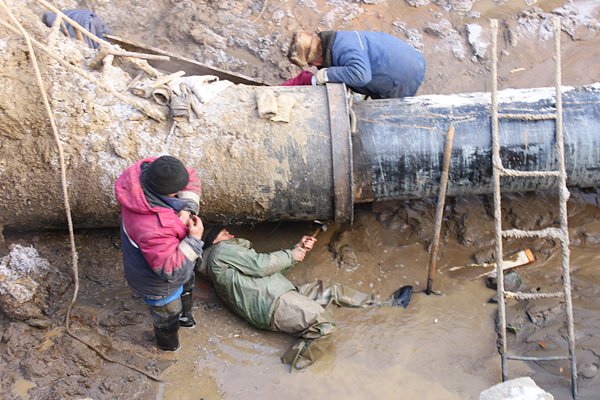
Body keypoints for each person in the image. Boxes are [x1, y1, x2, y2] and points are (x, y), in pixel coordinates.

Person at [198, 225, 406, 371]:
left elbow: (265, 270)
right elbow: (261, 265)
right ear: (214, 240)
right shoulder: (221, 251)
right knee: (325, 328)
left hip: (279, 294)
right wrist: (291, 254)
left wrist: (297, 249)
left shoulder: (225, 256)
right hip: (272, 303)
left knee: (329, 290)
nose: (231, 234)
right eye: (225, 233)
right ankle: (294, 368)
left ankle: (385, 305)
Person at [115, 156, 204, 352]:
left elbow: (189, 176)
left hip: (169, 254)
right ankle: (168, 346)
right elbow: (171, 270)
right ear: (171, 192)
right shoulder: (152, 228)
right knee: (167, 315)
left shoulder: (146, 171)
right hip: (157, 283)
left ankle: (186, 318)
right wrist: (194, 240)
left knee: (187, 281)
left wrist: (187, 209)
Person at [284, 30, 426, 99]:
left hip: (405, 74)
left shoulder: (345, 48)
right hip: (407, 57)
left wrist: (327, 74)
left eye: (309, 62)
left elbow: (361, 75)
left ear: (316, 54)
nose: (310, 66)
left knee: (387, 115)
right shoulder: (338, 40)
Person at [42, 9, 112, 49]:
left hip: (88, 21)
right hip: (92, 21)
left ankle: (110, 45)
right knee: (101, 42)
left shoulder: (54, 17)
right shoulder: (64, 15)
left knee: (99, 42)